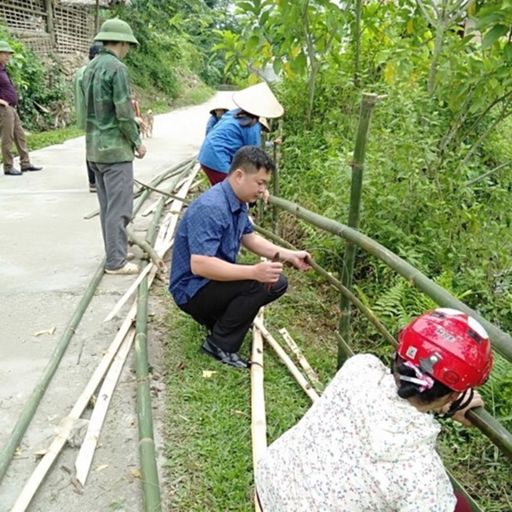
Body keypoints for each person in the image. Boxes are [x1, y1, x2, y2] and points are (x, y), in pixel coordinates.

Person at [256, 308, 493, 512]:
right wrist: (446, 405)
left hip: (270, 484)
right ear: (454, 393)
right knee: (457, 507)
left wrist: (443, 402)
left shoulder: (359, 367)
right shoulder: (422, 476)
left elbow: (402, 396)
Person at [169, 146, 311, 369]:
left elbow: (250, 238)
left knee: (276, 282)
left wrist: (290, 255)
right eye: (260, 183)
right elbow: (200, 265)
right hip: (192, 289)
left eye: (265, 184)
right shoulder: (211, 207)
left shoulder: (237, 201)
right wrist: (254, 272)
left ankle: (218, 322)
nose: (263, 190)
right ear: (239, 176)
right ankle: (219, 344)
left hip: (209, 282)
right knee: (260, 282)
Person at [83, 19, 146, 275]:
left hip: (94, 149)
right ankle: (116, 262)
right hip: (115, 151)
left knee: (108, 207)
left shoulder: (90, 68)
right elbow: (123, 111)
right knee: (120, 209)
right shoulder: (116, 68)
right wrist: (137, 141)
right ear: (121, 43)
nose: (128, 49)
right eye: (128, 45)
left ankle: (116, 249)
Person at [198, 82, 283, 186]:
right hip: (217, 158)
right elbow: (253, 156)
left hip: (206, 154)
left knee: (221, 191)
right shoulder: (252, 125)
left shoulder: (234, 113)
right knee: (232, 191)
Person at [0, 40, 43, 176]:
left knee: (20, 135)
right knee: (8, 138)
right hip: (4, 108)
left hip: (12, 107)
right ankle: (8, 166)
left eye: (9, 54)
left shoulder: (3, 69)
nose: (8, 56)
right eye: (5, 53)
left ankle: (25, 163)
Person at [73, 41, 103, 192]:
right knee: (96, 148)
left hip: (84, 116)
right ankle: (94, 181)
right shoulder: (91, 73)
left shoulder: (81, 71)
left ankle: (93, 181)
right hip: (94, 117)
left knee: (91, 146)